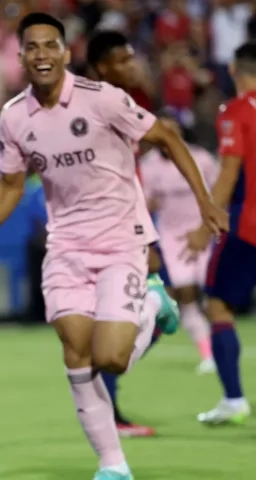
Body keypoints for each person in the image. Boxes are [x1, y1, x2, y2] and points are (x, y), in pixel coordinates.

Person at [0, 13, 226, 480]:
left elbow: (165, 135)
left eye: (50, 45)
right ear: (20, 56)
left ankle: (153, 303)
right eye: (32, 46)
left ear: (65, 52)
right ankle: (113, 464)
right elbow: (11, 185)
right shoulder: (15, 116)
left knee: (111, 357)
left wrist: (204, 201)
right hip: (67, 249)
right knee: (75, 351)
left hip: (121, 244)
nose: (42, 53)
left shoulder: (104, 100)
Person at [85, 29, 183, 437]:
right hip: (103, 230)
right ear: (102, 66)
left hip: (128, 224)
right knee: (115, 326)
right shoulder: (92, 105)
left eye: (132, 58)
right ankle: (109, 407)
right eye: (124, 60)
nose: (133, 66)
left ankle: (109, 405)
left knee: (119, 327)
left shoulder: (126, 104)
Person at [184, 41, 256, 426]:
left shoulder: (237, 112)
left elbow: (229, 173)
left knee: (218, 306)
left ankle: (233, 399)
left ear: (233, 70)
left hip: (249, 226)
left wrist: (203, 226)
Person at [140, 114, 217, 375]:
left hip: (204, 233)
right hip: (172, 237)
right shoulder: (149, 166)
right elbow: (145, 201)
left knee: (212, 297)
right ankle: (207, 353)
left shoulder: (202, 158)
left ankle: (218, 346)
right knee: (185, 294)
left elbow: (218, 194)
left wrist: (208, 228)